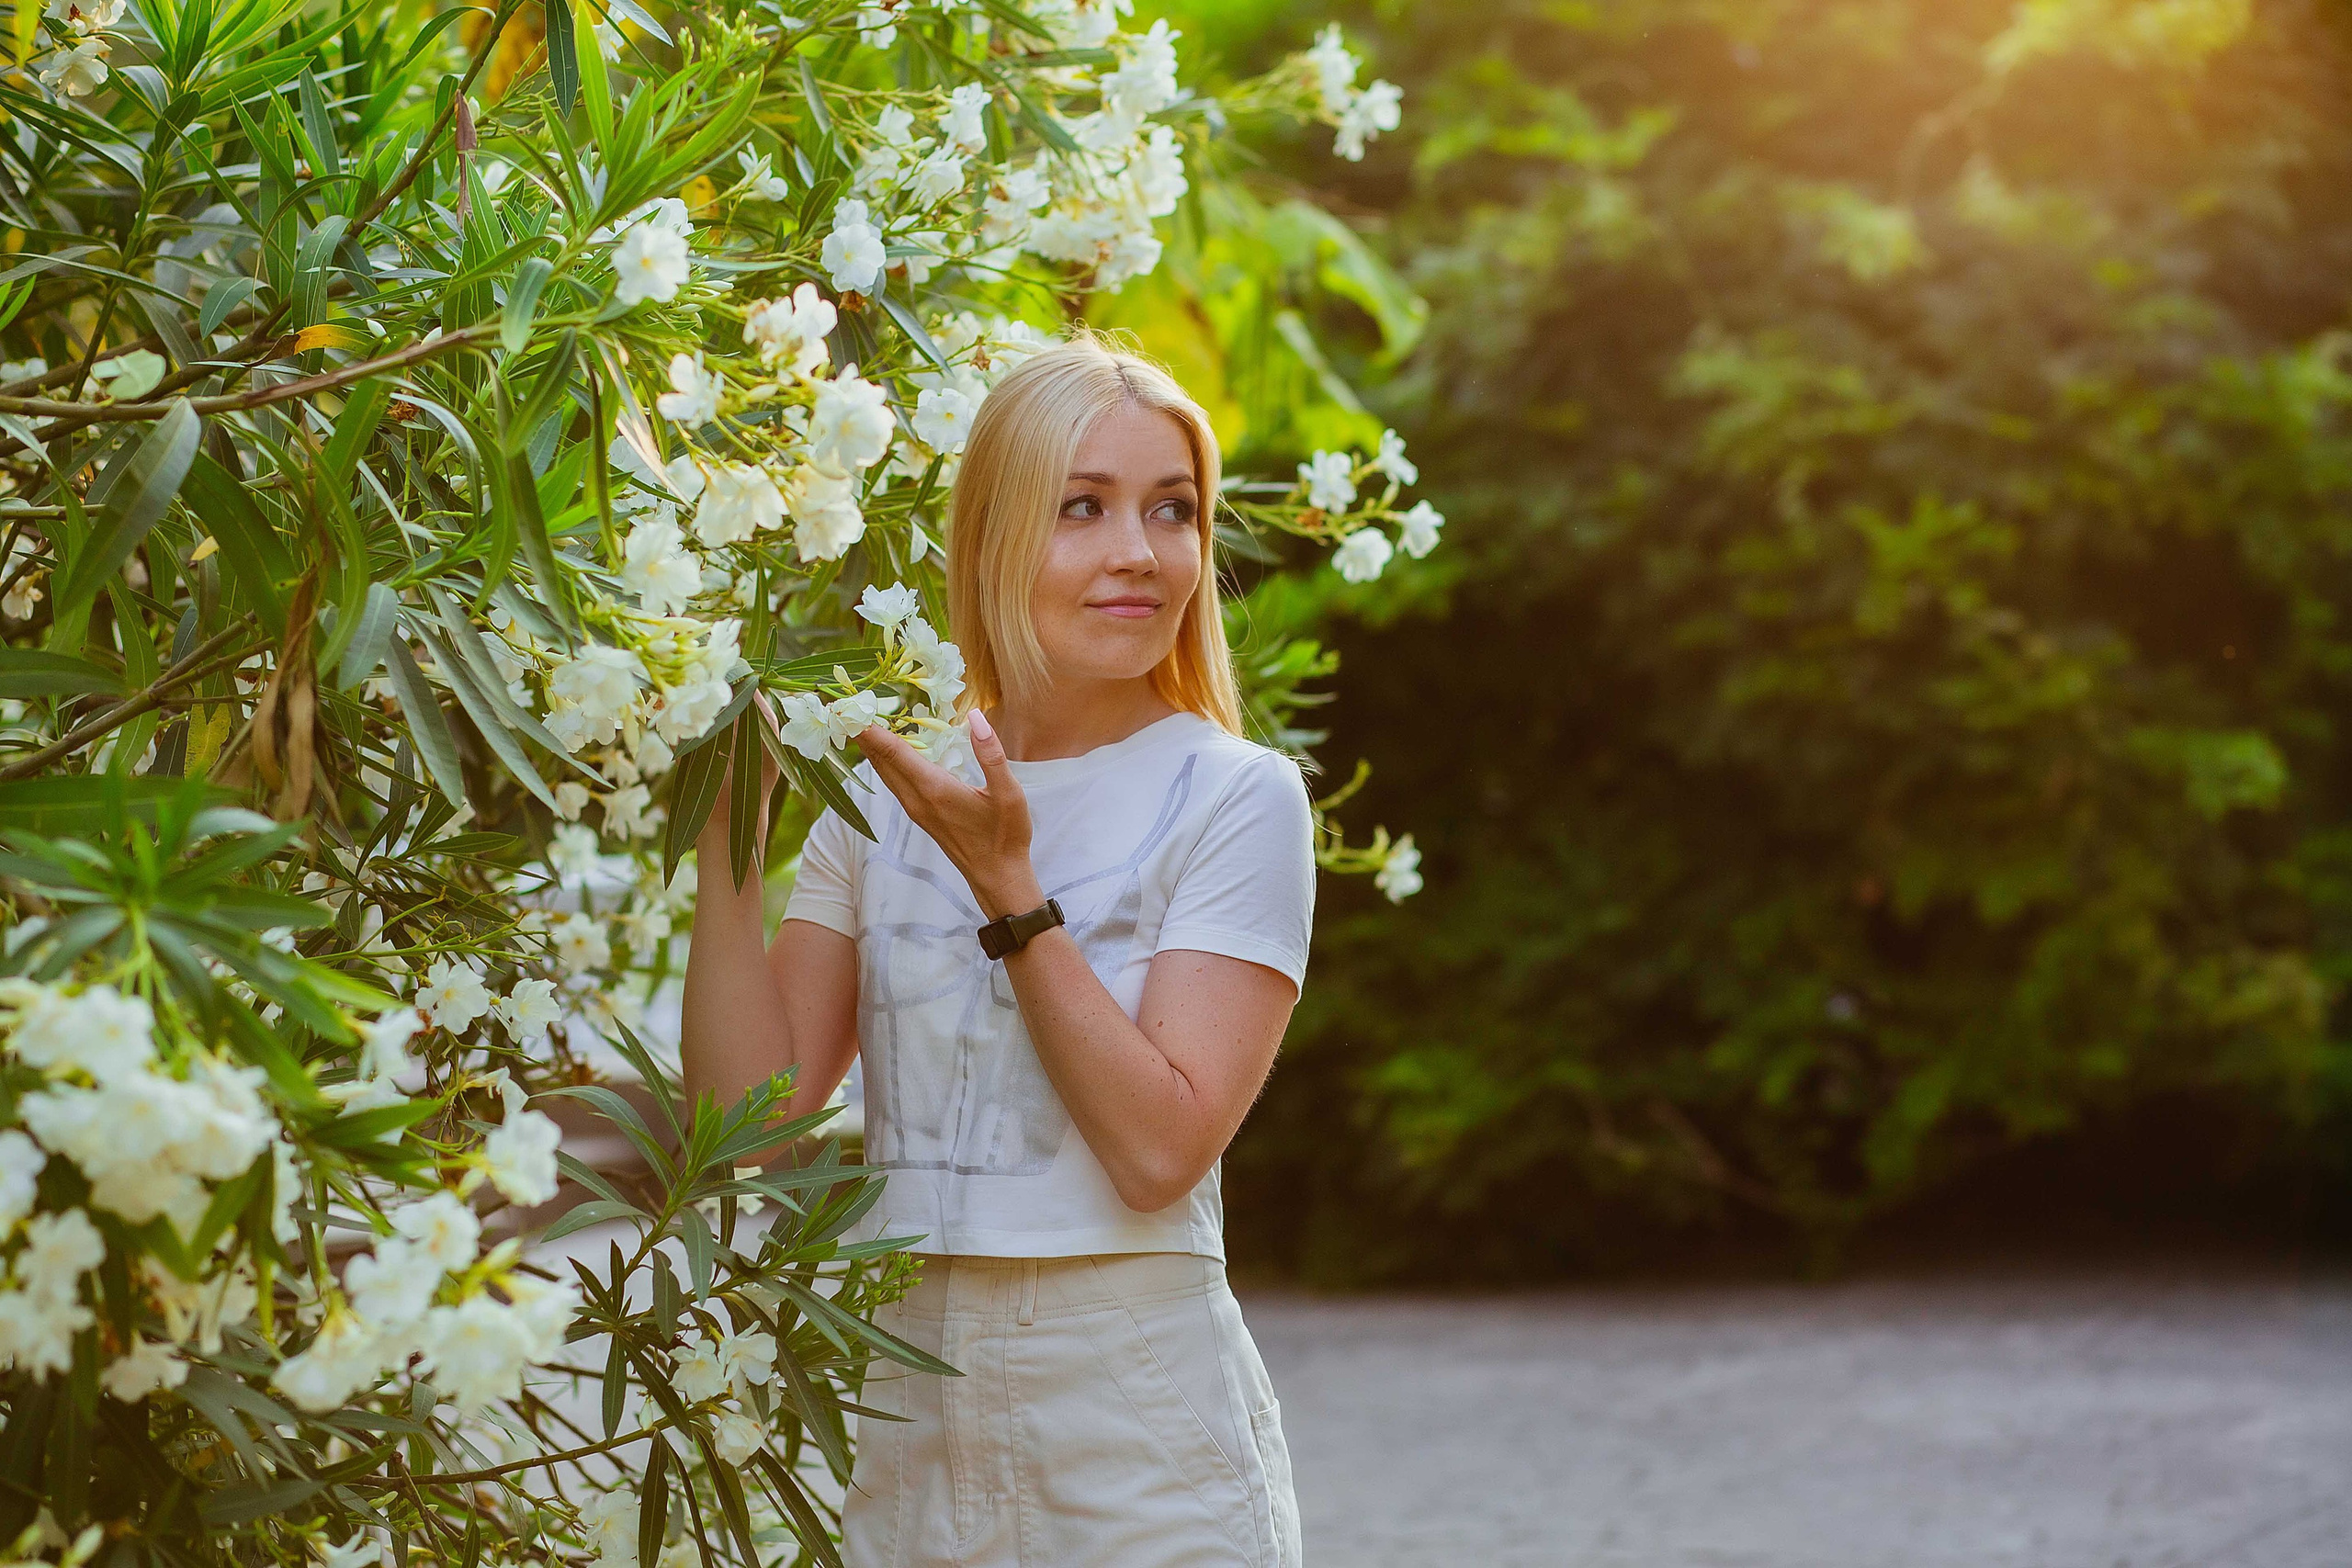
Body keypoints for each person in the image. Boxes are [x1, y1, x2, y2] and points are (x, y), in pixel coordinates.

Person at [680, 333, 1313, 1568]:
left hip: (1132, 1412)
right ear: (987, 539)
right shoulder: (884, 794)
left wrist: (1009, 889)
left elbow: (1159, 1151)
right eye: (1083, 507)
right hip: (909, 1394)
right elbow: (747, 1134)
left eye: (1173, 509)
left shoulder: (1235, 797)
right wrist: (723, 850)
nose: (1140, 552)